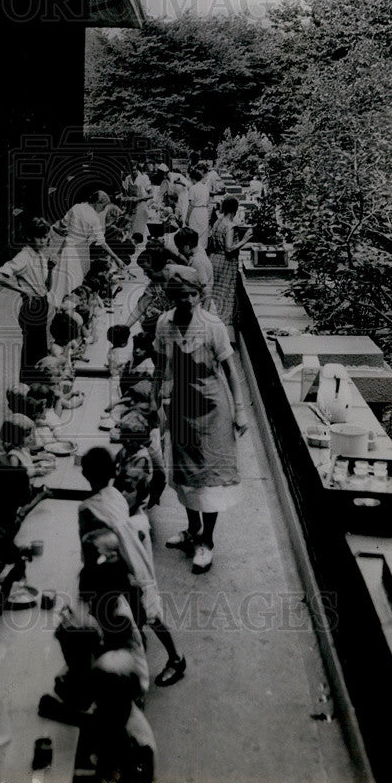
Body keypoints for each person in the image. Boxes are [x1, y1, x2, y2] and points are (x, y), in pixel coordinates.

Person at [152, 266, 248, 574]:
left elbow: (231, 371)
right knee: (186, 476)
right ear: (171, 297)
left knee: (210, 478)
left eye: (193, 295)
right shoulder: (164, 324)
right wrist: (157, 404)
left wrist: (240, 409)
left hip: (212, 408)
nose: (188, 301)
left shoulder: (213, 326)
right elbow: (160, 367)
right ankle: (192, 530)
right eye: (181, 296)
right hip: (181, 407)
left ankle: (207, 540)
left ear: (198, 294)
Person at [78, 447, 185, 687]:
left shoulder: (87, 508)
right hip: (136, 563)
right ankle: (174, 657)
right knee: (148, 613)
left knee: (137, 615)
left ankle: (169, 662)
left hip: (119, 571)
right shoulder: (114, 495)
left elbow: (90, 546)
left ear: (84, 473)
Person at [0, 216, 53, 383]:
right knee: (31, 351)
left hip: (42, 303)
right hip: (31, 306)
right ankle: (27, 387)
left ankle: (39, 385)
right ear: (29, 237)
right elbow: (0, 277)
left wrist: (51, 268)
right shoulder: (24, 256)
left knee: (40, 348)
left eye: (45, 237)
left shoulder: (40, 254)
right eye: (39, 237)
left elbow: (46, 286)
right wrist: (22, 290)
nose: (42, 241)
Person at [51, 190, 126, 304]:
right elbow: (102, 242)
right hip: (79, 251)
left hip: (66, 249)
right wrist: (116, 258)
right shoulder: (93, 218)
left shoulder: (76, 207)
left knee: (60, 282)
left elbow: (62, 225)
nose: (103, 210)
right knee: (74, 283)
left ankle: (58, 306)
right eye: (103, 206)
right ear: (98, 203)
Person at [208, 195, 253, 337]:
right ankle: (220, 332)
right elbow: (228, 248)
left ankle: (210, 325)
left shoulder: (217, 222)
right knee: (225, 296)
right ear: (235, 210)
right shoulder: (230, 226)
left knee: (215, 295)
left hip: (214, 259)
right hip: (226, 262)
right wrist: (244, 240)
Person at [171, 226, 215, 312]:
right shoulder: (200, 250)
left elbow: (206, 289)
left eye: (180, 247)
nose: (179, 251)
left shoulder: (196, 262)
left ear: (187, 246)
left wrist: (204, 313)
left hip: (202, 304)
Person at [122, 164, 151, 239]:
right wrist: (126, 198)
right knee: (130, 226)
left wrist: (139, 199)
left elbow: (151, 195)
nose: (133, 172)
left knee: (140, 227)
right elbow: (125, 193)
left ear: (138, 169)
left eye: (135, 170)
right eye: (132, 170)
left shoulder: (144, 178)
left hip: (141, 204)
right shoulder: (128, 178)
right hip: (131, 205)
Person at [186, 165, 210, 249]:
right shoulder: (205, 188)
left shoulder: (193, 188)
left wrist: (187, 218)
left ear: (193, 179)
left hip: (195, 211)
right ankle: (203, 250)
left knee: (194, 233)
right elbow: (208, 202)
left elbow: (191, 205)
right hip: (204, 211)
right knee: (203, 234)